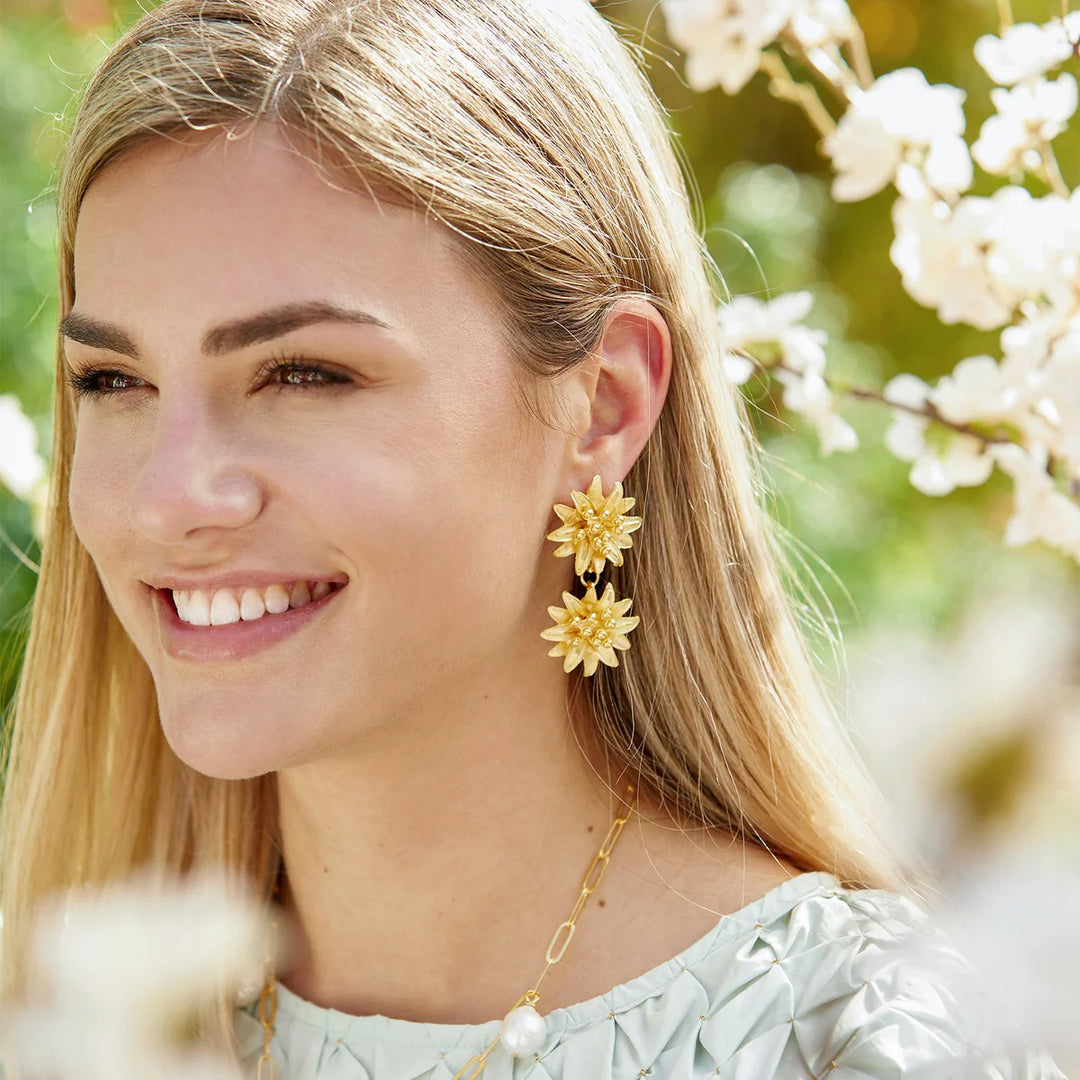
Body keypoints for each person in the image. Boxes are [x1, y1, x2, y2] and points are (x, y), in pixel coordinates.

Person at [0, 0, 1067, 1077]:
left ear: (602, 404)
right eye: (113, 381)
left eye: (305, 374)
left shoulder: (878, 1040)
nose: (170, 499)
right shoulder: (70, 1033)